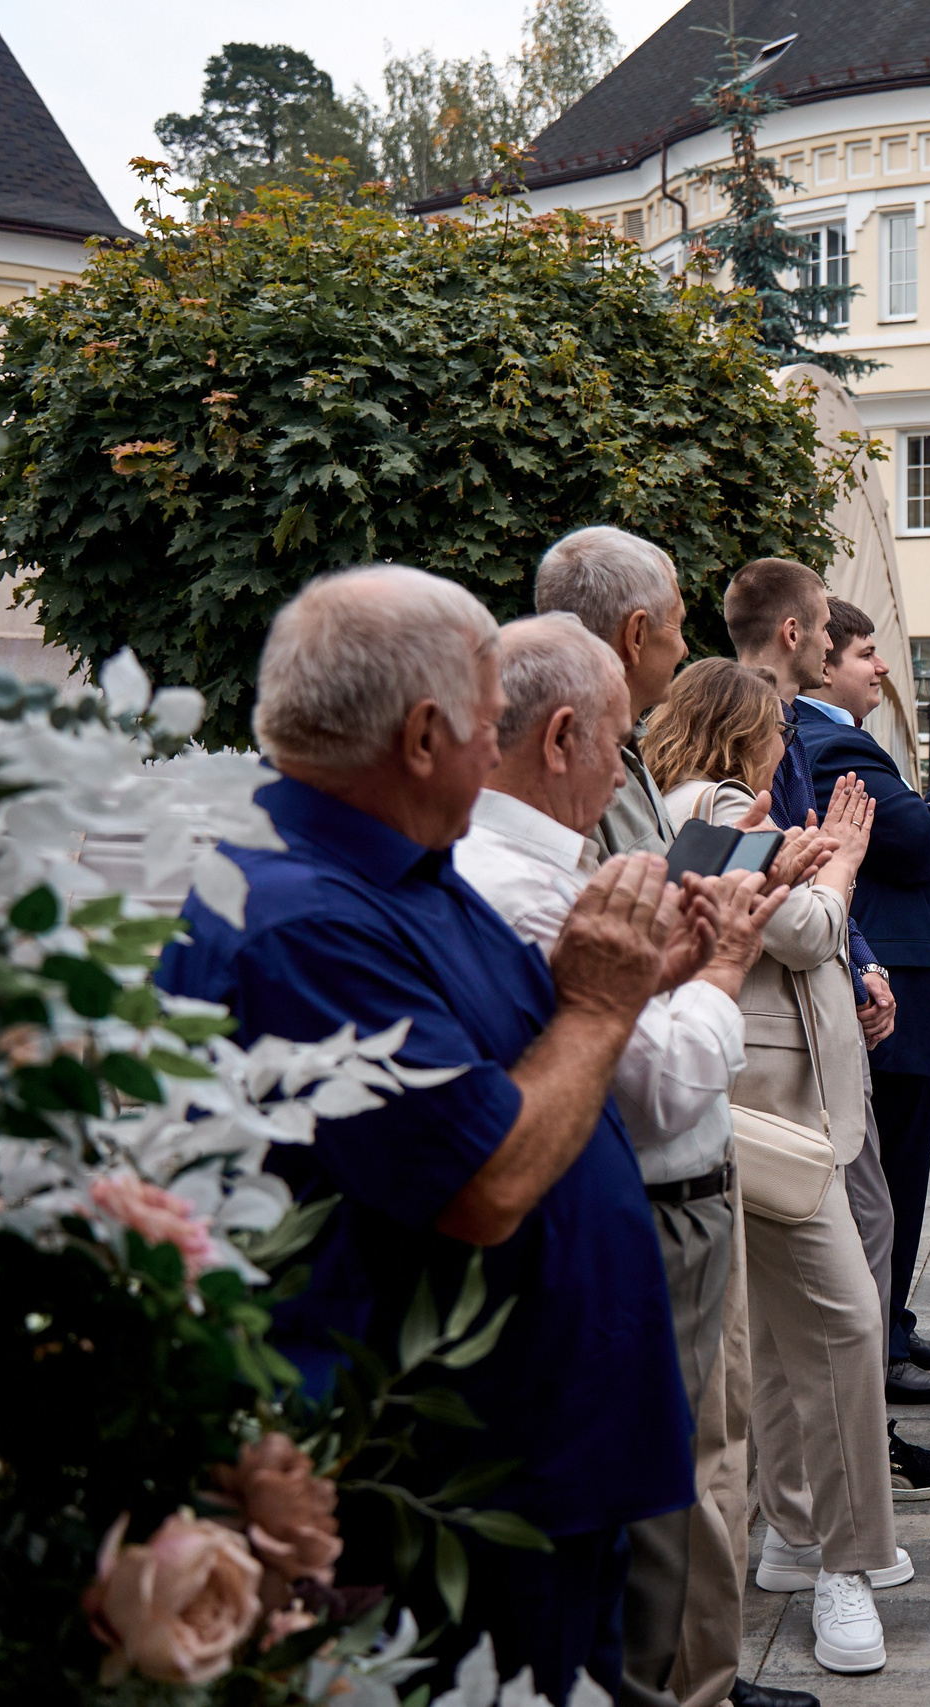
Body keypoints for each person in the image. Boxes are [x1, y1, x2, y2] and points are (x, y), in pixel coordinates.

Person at [156, 567, 696, 1703]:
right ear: (421, 736)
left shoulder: (400, 874)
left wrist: (623, 984)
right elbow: (485, 1183)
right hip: (464, 1496)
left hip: (537, 1465)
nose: (498, 750)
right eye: (488, 722)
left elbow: (514, 1059)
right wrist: (600, 1005)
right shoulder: (303, 920)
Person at [448, 617, 815, 1707]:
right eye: (618, 739)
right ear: (561, 738)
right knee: (656, 1503)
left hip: (631, 1207)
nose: (628, 766)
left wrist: (668, 967)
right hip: (635, 1212)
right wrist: (724, 964)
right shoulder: (523, 880)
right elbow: (655, 1085)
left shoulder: (538, 862)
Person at [645, 657, 917, 1675]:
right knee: (847, 1323)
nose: (783, 750)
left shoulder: (692, 800)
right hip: (763, 1104)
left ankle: (794, 1535)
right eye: (774, 733)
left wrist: (852, 941)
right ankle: (848, 1564)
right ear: (744, 735)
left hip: (763, 1097)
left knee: (767, 1335)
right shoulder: (712, 805)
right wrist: (841, 861)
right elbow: (802, 933)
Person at [723, 562, 930, 1499]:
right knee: (838, 1263)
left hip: (829, 1008)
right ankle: (838, 1471)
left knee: (858, 1240)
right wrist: (837, 905)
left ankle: (839, 1453)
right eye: (827, 630)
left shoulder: (787, 730)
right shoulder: (751, 741)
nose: (832, 647)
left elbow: (818, 863)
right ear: (793, 633)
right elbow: (802, 885)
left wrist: (860, 960)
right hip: (776, 1047)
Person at [791, 592, 930, 1401]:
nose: (881, 668)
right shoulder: (833, 746)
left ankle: (895, 1322)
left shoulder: (844, 742)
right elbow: (927, 843)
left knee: (900, 1169)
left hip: (898, 982)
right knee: (892, 1174)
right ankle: (885, 1345)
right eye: (867, 653)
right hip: (891, 994)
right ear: (825, 662)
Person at [533, 526, 693, 860]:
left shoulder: (620, 743)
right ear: (635, 635)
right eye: (677, 626)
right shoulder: (572, 768)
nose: (685, 650)